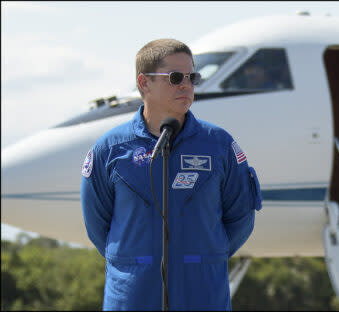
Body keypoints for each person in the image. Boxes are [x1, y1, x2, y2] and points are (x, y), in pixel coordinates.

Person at [81, 38, 262, 310]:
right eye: (175, 77)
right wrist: (136, 259)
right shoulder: (110, 149)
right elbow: (98, 226)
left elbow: (240, 219)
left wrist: (202, 258)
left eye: (192, 77)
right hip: (133, 296)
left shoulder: (219, 145)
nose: (186, 85)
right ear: (144, 83)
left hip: (202, 294)